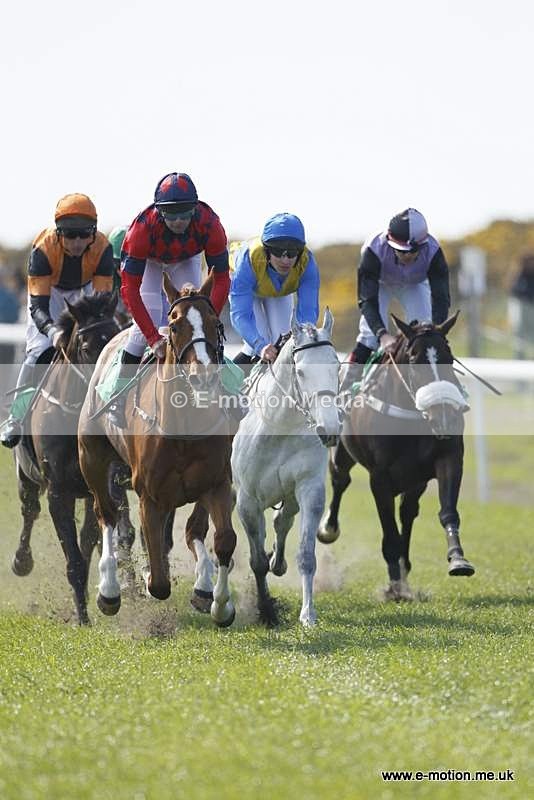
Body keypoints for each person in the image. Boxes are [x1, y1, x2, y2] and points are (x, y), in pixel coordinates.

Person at [107, 172, 230, 427]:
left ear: (195, 210)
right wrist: (153, 338)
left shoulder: (211, 224)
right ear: (159, 212)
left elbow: (221, 280)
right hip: (151, 263)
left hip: (187, 259)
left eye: (185, 214)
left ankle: (230, 391)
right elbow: (130, 291)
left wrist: (208, 318)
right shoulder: (141, 229)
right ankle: (117, 396)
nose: (178, 221)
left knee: (197, 321)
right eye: (171, 215)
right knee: (149, 318)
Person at [0, 194, 114, 448]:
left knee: (98, 346)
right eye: (69, 235)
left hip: (84, 291)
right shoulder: (42, 250)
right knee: (39, 350)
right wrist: (53, 332)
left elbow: (102, 304)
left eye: (83, 235)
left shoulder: (104, 249)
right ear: (58, 233)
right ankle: (15, 417)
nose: (76, 242)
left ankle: (110, 410)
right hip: (50, 294)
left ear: (93, 233)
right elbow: (38, 308)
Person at [340, 207, 450, 394]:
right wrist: (382, 334)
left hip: (414, 285)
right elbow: (367, 300)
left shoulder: (434, 252)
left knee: (425, 332)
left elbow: (441, 298)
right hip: (380, 285)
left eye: (412, 252)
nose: (406, 256)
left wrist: (436, 332)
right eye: (401, 251)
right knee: (369, 336)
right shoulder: (373, 250)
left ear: (423, 245)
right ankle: (346, 386)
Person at [229, 212, 320, 364]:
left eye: (292, 253)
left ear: (300, 252)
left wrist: (304, 337)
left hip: (278, 292)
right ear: (266, 251)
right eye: (278, 252)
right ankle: (224, 387)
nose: (285, 260)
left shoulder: (308, 264)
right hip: (248, 288)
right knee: (258, 343)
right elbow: (241, 315)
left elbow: (308, 312)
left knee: (284, 343)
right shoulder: (248, 261)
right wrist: (259, 346)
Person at [509, 253, 534, 360]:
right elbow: (514, 290)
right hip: (521, 305)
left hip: (531, 306)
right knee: (520, 331)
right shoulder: (519, 275)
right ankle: (519, 356)